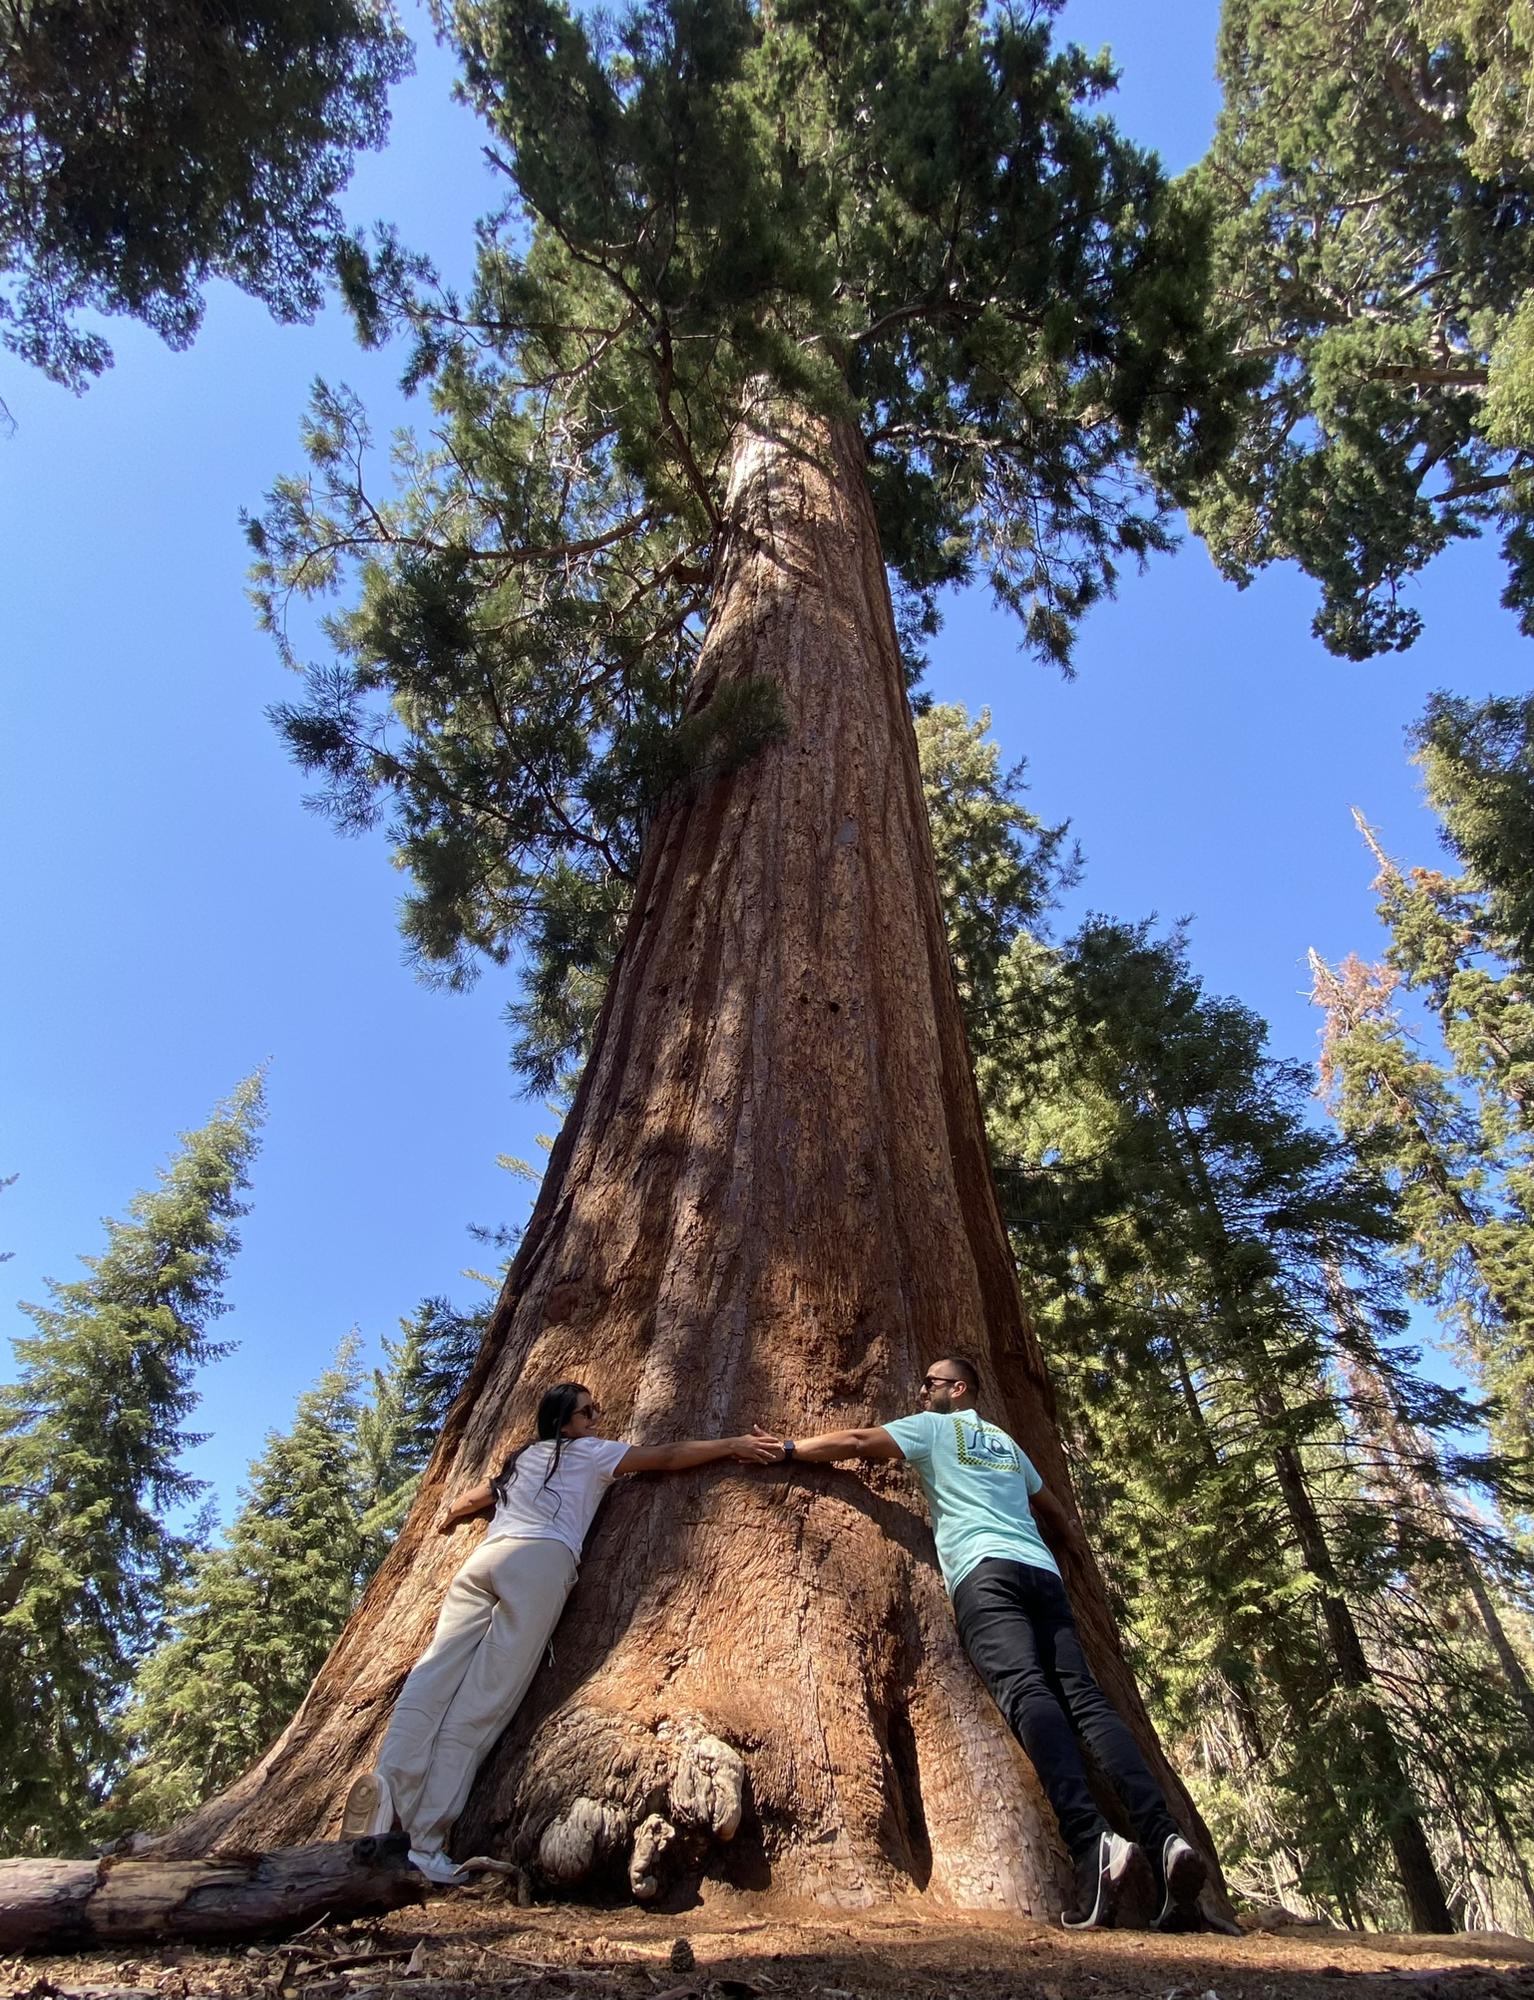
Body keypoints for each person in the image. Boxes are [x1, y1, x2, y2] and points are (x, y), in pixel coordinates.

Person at [778, 1357, 1210, 1931]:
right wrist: (1068, 1547)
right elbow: (1051, 1506)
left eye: (931, 1382)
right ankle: (1164, 1838)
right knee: (1086, 1700)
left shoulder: (932, 1429)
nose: (922, 1388)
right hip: (1043, 1574)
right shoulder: (1006, 1443)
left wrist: (789, 1450)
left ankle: (1093, 1842)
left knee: (1029, 1692)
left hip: (985, 1573)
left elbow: (858, 1441)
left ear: (958, 1390)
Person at [340, 1379, 779, 1883]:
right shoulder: (591, 1454)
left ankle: (386, 1793)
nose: (595, 1419)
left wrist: (453, 1512)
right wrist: (732, 1445)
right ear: (566, 1424)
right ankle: (423, 1844)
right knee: (482, 1703)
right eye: (587, 1413)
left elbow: (471, 1498)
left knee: (433, 1674)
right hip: (540, 1563)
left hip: (484, 1561)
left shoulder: (522, 1458)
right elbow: (667, 1455)